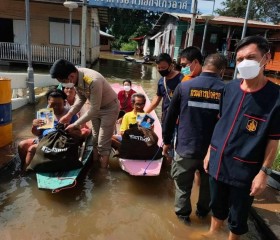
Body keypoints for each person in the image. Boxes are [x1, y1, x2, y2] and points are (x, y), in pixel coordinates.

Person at [203, 36, 280, 240]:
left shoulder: (275, 97)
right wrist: (210, 152)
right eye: (240, 59)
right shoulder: (228, 89)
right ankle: (212, 233)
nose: (244, 63)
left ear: (266, 58)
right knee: (216, 204)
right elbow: (220, 123)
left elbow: (273, 139)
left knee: (238, 214)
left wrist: (264, 172)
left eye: (251, 57)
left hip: (245, 168)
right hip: (218, 161)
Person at [162, 53, 227, 224]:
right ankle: (203, 214)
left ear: (203, 65)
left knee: (182, 186)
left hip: (185, 148)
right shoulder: (226, 90)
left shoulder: (184, 87)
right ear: (222, 70)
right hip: (211, 152)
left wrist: (167, 141)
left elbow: (170, 117)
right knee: (206, 187)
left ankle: (183, 218)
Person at [50, 59, 120, 168]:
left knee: (103, 142)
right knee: (95, 138)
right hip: (96, 107)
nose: (64, 85)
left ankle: (103, 172)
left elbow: (94, 109)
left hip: (109, 108)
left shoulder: (93, 80)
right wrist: (69, 115)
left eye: (63, 81)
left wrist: (75, 124)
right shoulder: (76, 78)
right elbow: (81, 99)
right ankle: (95, 163)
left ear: (71, 76)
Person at [18, 88, 79, 170]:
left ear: (64, 103)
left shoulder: (69, 115)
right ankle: (23, 165)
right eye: (52, 105)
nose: (55, 107)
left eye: (59, 104)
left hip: (60, 143)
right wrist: (34, 126)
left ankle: (26, 172)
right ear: (48, 103)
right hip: (44, 139)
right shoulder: (46, 113)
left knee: (32, 149)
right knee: (22, 145)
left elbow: (79, 134)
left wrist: (69, 130)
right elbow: (37, 133)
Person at [145, 53, 183, 123]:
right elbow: (157, 98)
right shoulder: (161, 81)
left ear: (171, 65)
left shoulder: (181, 79)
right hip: (165, 117)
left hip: (178, 119)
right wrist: (146, 112)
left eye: (163, 68)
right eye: (159, 68)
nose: (161, 70)